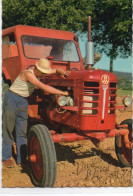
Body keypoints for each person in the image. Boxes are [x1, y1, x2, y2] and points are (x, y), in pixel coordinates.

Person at [2, 58, 70, 168]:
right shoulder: (28, 74)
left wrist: (59, 70)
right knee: (8, 128)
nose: (44, 75)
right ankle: (5, 157)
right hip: (12, 98)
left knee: (22, 130)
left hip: (23, 101)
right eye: (43, 73)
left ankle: (22, 159)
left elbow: (54, 70)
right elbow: (43, 86)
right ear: (37, 69)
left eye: (45, 73)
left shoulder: (39, 73)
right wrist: (63, 93)